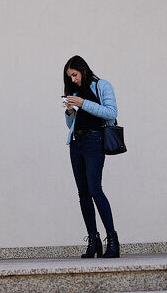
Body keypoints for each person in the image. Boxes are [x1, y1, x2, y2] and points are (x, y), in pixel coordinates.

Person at [62, 55, 120, 258]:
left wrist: (83, 103)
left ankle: (112, 240)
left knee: (95, 189)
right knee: (83, 193)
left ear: (83, 70)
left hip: (94, 141)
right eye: (70, 77)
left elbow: (111, 112)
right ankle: (93, 240)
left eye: (74, 75)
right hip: (76, 143)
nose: (73, 80)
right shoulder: (75, 92)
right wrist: (70, 112)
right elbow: (71, 125)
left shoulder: (102, 86)